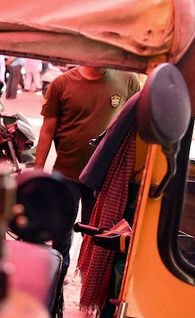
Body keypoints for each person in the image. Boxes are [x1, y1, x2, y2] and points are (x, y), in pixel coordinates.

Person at [35, 66, 140, 282]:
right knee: (62, 228)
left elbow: (135, 125)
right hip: (66, 172)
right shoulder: (61, 84)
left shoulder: (128, 80)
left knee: (96, 232)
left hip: (103, 175)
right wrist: (38, 171)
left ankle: (88, 276)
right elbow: (47, 130)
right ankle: (59, 272)